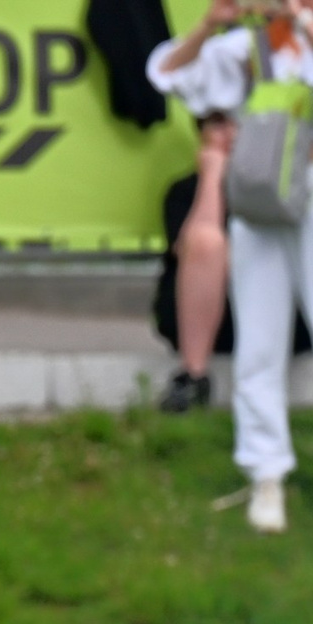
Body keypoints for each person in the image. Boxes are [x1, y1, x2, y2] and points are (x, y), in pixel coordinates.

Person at [154, 1, 313, 533]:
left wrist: (304, 26)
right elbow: (169, 74)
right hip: (260, 198)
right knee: (259, 341)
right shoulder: (250, 48)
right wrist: (208, 25)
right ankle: (266, 474)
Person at [149, 5, 246, 415]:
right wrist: (212, 176)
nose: (228, 135)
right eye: (216, 123)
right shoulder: (184, 192)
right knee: (206, 241)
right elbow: (165, 71)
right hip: (215, 325)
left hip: (281, 321)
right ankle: (193, 375)